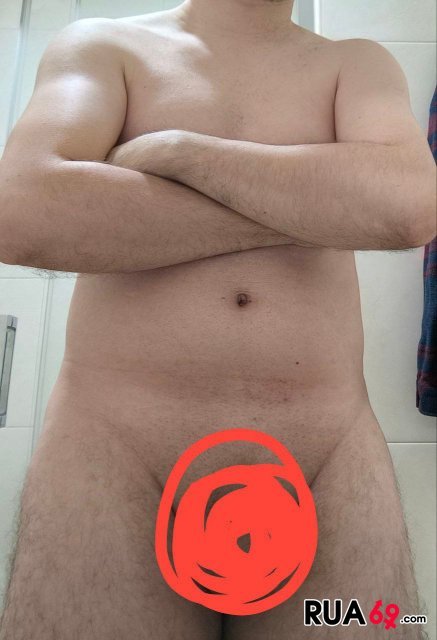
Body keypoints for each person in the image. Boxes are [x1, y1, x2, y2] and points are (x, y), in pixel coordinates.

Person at [0, 1, 435, 638]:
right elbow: (24, 210)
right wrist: (316, 208)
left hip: (326, 458)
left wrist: (183, 155)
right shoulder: (102, 44)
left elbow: (409, 206)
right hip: (115, 454)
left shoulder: (358, 64)